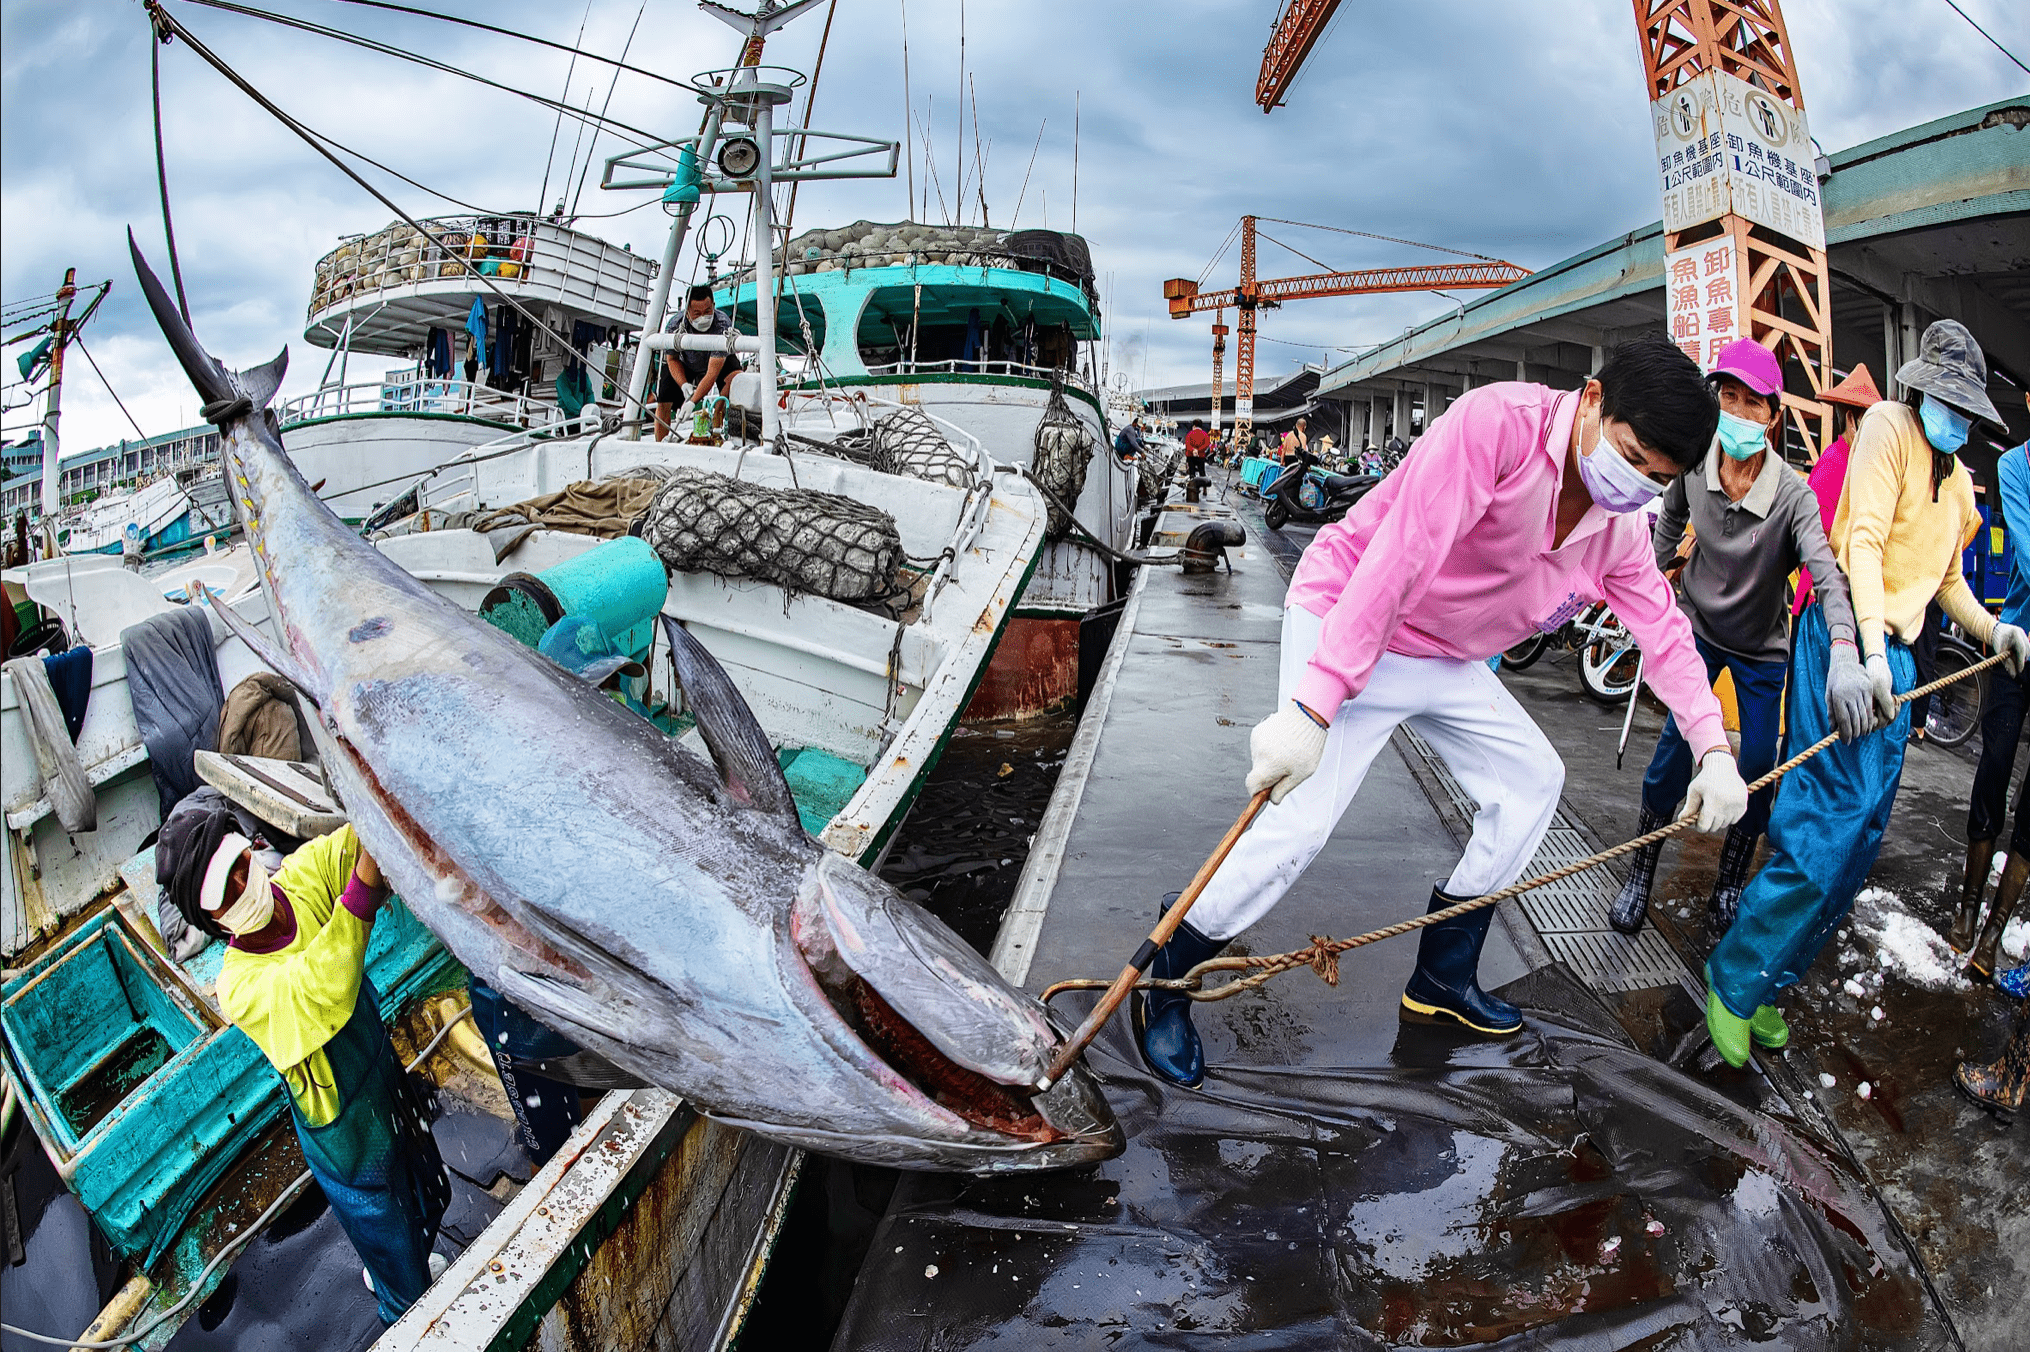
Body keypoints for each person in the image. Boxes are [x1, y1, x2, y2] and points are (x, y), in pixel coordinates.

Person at [1134, 337, 1749, 1088]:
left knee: (1531, 782)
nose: (1634, 485)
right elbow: (1401, 559)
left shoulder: (1618, 528)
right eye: (1630, 455)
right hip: (1354, 613)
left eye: (1657, 478)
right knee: (1297, 822)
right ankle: (1167, 973)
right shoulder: (1497, 426)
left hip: (1445, 657)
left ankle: (1441, 979)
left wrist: (1712, 747)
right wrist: (1317, 704)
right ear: (1591, 399)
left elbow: (1663, 629)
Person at [1704, 320, 2030, 1066]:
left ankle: (1770, 984)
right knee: (1822, 821)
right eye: (1946, 403)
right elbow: (1864, 543)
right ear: (1923, 391)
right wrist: (1869, 653)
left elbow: (1944, 581)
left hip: (1901, 661)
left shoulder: (1956, 483)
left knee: (1862, 840)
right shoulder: (1887, 425)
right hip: (1848, 638)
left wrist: (1994, 633)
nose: (1953, 419)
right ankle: (1733, 976)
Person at [1611, 339, 1866, 940]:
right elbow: (1670, 516)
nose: (1739, 413)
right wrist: (1656, 580)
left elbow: (1826, 573)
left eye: (1753, 403)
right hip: (1696, 632)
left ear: (1772, 415)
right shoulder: (1695, 464)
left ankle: (1729, 881)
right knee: (1674, 753)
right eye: (1729, 397)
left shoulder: (1794, 496)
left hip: (1760, 652)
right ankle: (1640, 873)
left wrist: (1847, 648)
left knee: (1755, 766)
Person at [197, 825, 451, 1324]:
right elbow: (318, 990)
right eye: (222, 895)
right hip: (342, 1130)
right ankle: (404, 1309)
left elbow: (348, 844)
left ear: (250, 850)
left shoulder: (297, 882)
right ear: (207, 920)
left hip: (381, 1080)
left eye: (240, 867)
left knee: (420, 1186)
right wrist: (361, 893)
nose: (242, 888)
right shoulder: (238, 986)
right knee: (381, 1219)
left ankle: (402, 1269)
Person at [1952, 388, 2030, 980]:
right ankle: (1968, 905)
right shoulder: (2015, 465)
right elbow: (2026, 556)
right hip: (2018, 648)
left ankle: (1996, 930)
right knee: (1995, 763)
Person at [1794, 364, 1883, 614]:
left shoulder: (1861, 463)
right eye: (1869, 421)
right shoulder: (1833, 463)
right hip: (1821, 598)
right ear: (1851, 420)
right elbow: (1812, 536)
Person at [656, 283, 742, 442]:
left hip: (716, 361)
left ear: (713, 306)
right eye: (697, 313)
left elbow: (712, 373)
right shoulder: (675, 325)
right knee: (663, 397)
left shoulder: (722, 323)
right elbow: (672, 359)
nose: (703, 317)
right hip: (685, 362)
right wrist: (683, 384)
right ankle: (660, 443)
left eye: (707, 311)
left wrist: (692, 402)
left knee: (736, 378)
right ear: (687, 312)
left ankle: (717, 422)